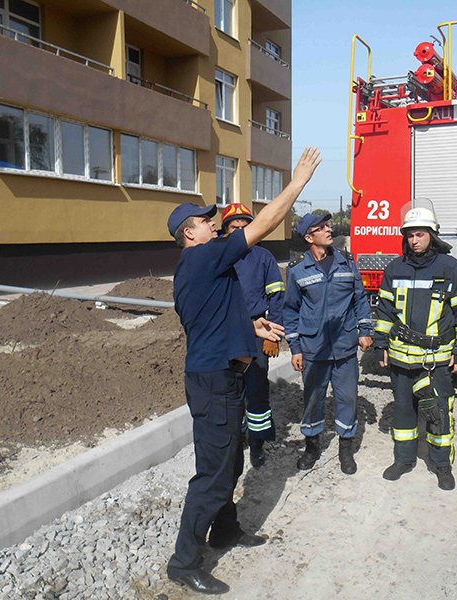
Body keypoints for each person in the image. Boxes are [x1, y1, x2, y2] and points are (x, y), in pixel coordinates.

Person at [166, 148, 321, 595]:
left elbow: (210, 317)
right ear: (187, 234)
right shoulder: (201, 258)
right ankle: (184, 561)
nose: (213, 222)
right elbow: (265, 224)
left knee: (230, 461)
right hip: (213, 381)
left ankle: (225, 529)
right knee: (212, 475)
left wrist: (253, 324)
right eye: (204, 220)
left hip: (224, 375)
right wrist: (297, 184)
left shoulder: (207, 268)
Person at [374, 205, 457, 489]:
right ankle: (404, 460)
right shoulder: (395, 269)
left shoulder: (451, 268)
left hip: (436, 360)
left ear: (432, 235)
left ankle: (441, 465)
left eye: (419, 234)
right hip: (401, 360)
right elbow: (384, 311)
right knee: (404, 412)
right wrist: (380, 343)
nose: (414, 240)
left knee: (439, 414)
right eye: (409, 235)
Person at [284, 212, 373, 474]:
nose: (329, 229)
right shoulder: (298, 271)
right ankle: (312, 448)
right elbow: (290, 311)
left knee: (347, 399)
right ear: (309, 237)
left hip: (344, 347)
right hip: (313, 349)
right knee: (313, 400)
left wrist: (365, 330)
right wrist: (295, 349)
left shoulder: (346, 263)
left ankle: (346, 450)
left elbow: (360, 300)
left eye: (328, 225)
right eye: (321, 227)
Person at [220, 202, 286, 468]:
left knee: (257, 389)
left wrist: (274, 334)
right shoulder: (218, 255)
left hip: (258, 333)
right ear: (225, 230)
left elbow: (277, 296)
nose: (240, 230)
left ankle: (257, 444)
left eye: (245, 226)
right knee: (229, 389)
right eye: (234, 227)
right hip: (226, 334)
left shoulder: (263, 257)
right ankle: (235, 439)